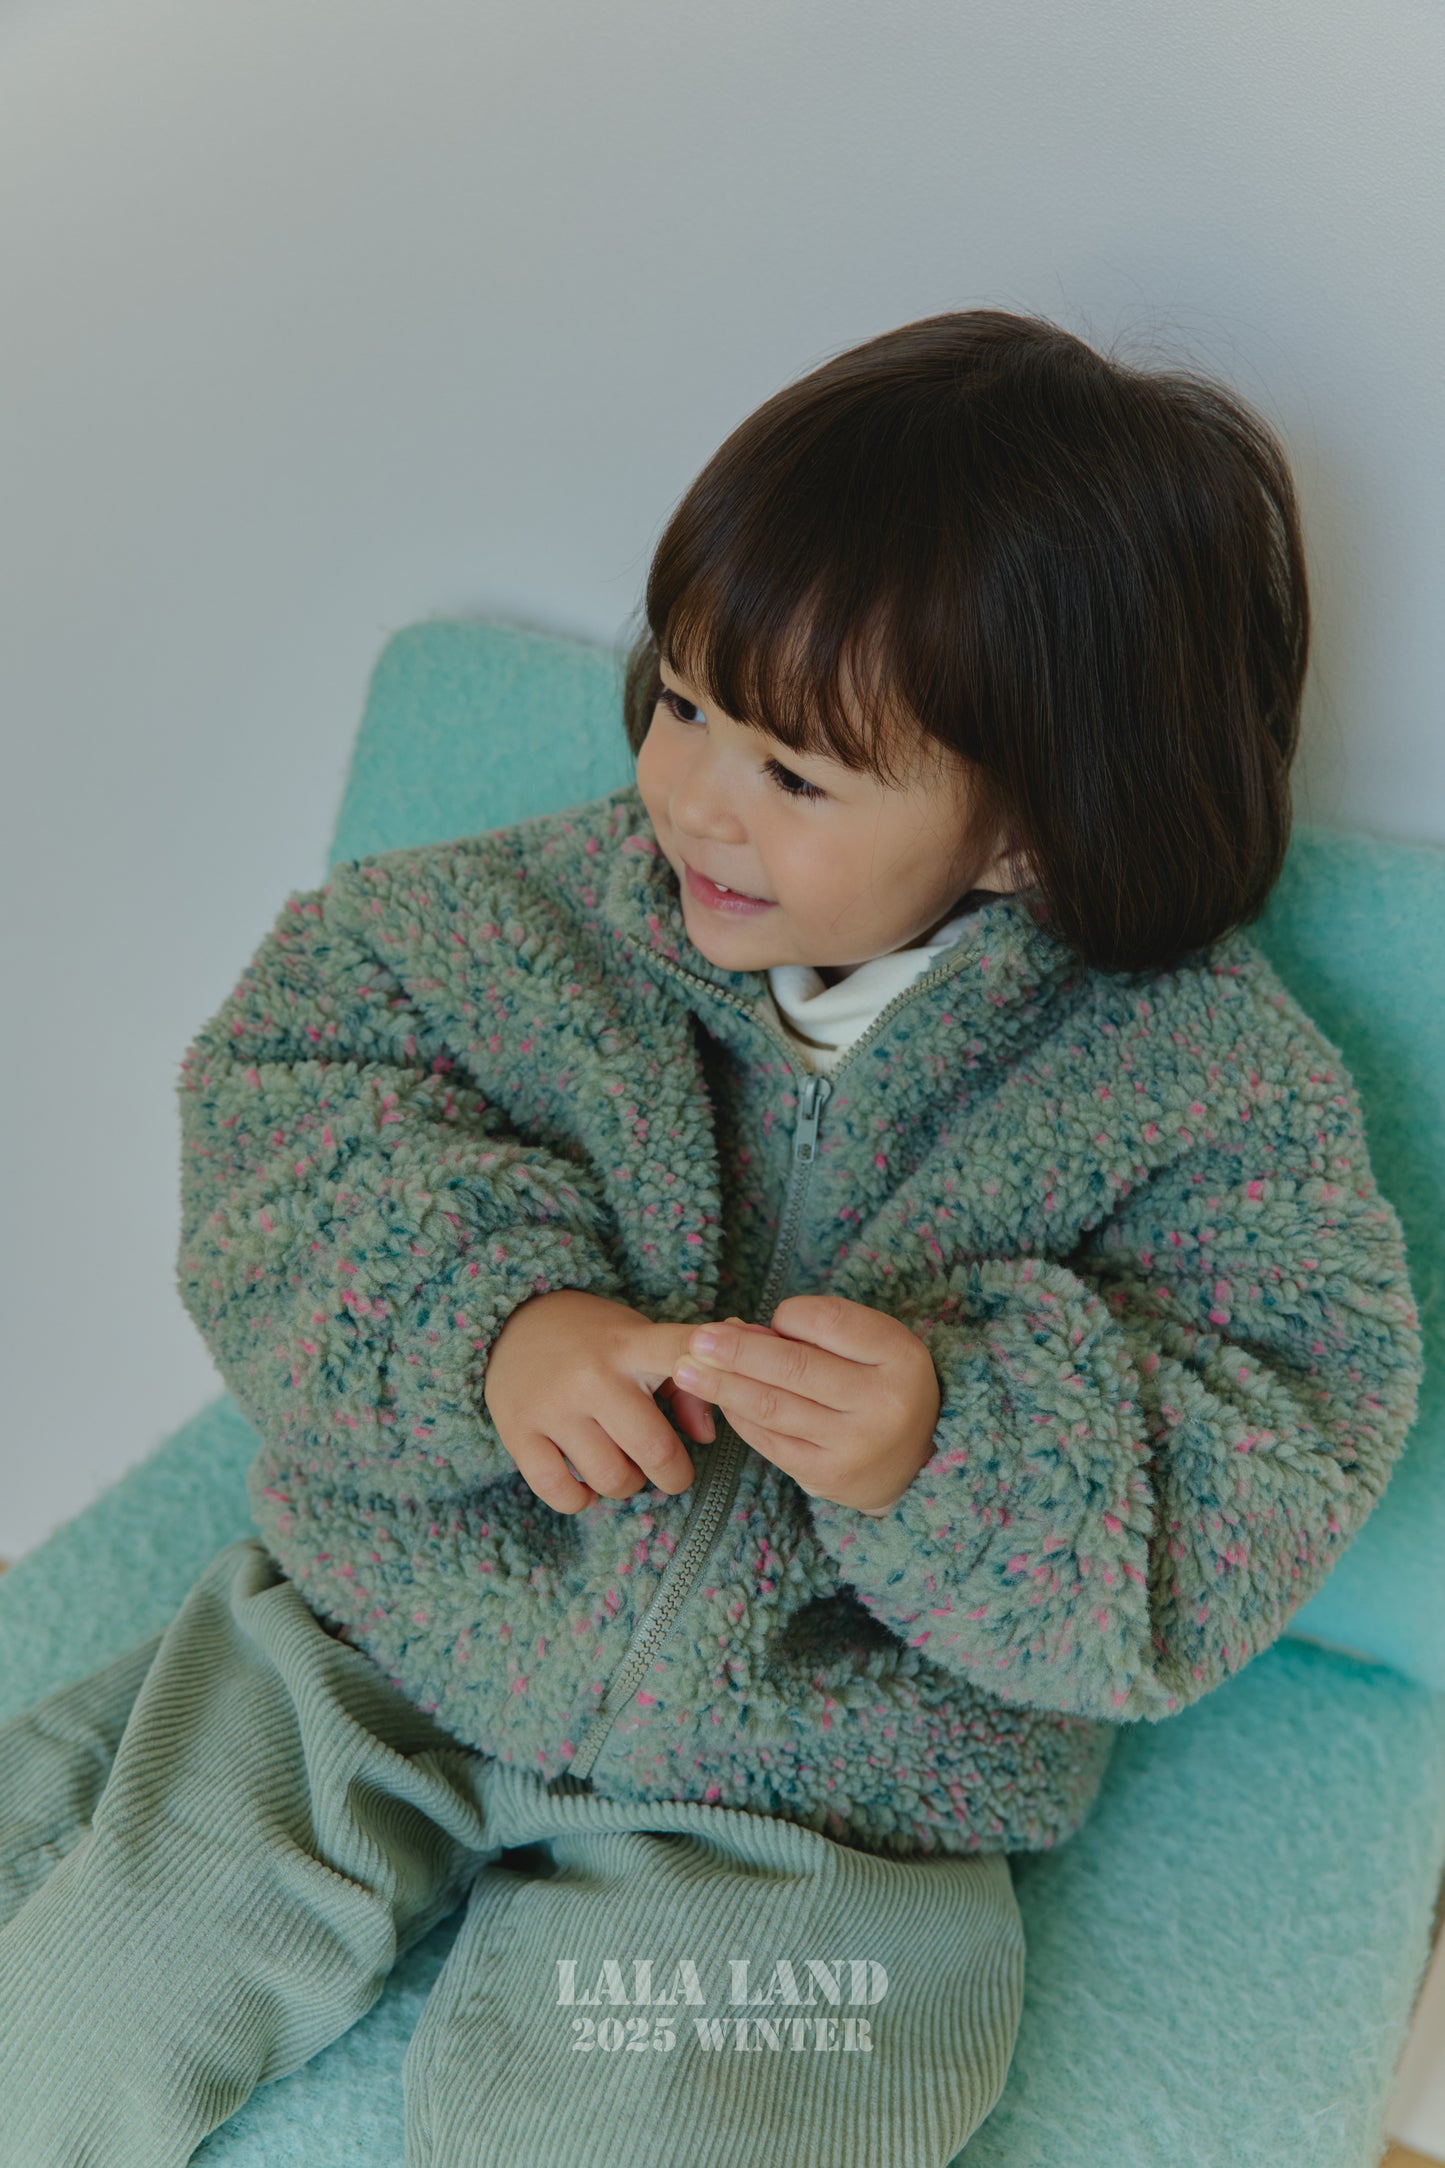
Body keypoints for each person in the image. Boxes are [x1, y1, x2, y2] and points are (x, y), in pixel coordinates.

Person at [0, 308, 1424, 2168]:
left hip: (821, 1804)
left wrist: (952, 1442)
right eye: (682, 703)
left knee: (649, 2126)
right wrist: (496, 1327)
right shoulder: (519, 927)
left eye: (794, 775)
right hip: (381, 1638)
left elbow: (1272, 1433)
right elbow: (291, 1105)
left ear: (1032, 835)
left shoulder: (1203, 1102)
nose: (689, 797)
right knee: (83, 1999)